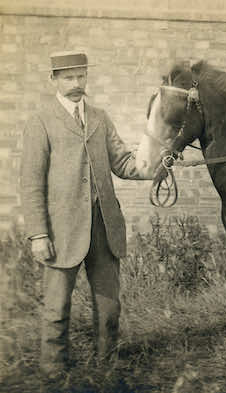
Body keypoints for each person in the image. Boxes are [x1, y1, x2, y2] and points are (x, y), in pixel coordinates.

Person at [20, 51, 153, 381]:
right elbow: (31, 181)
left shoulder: (99, 117)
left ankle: (106, 366)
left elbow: (122, 163)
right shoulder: (41, 120)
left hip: (103, 228)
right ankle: (53, 372)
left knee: (109, 306)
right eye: (68, 77)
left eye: (81, 76)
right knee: (56, 306)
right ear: (53, 80)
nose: (77, 84)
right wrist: (38, 234)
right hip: (61, 230)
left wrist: (154, 167)